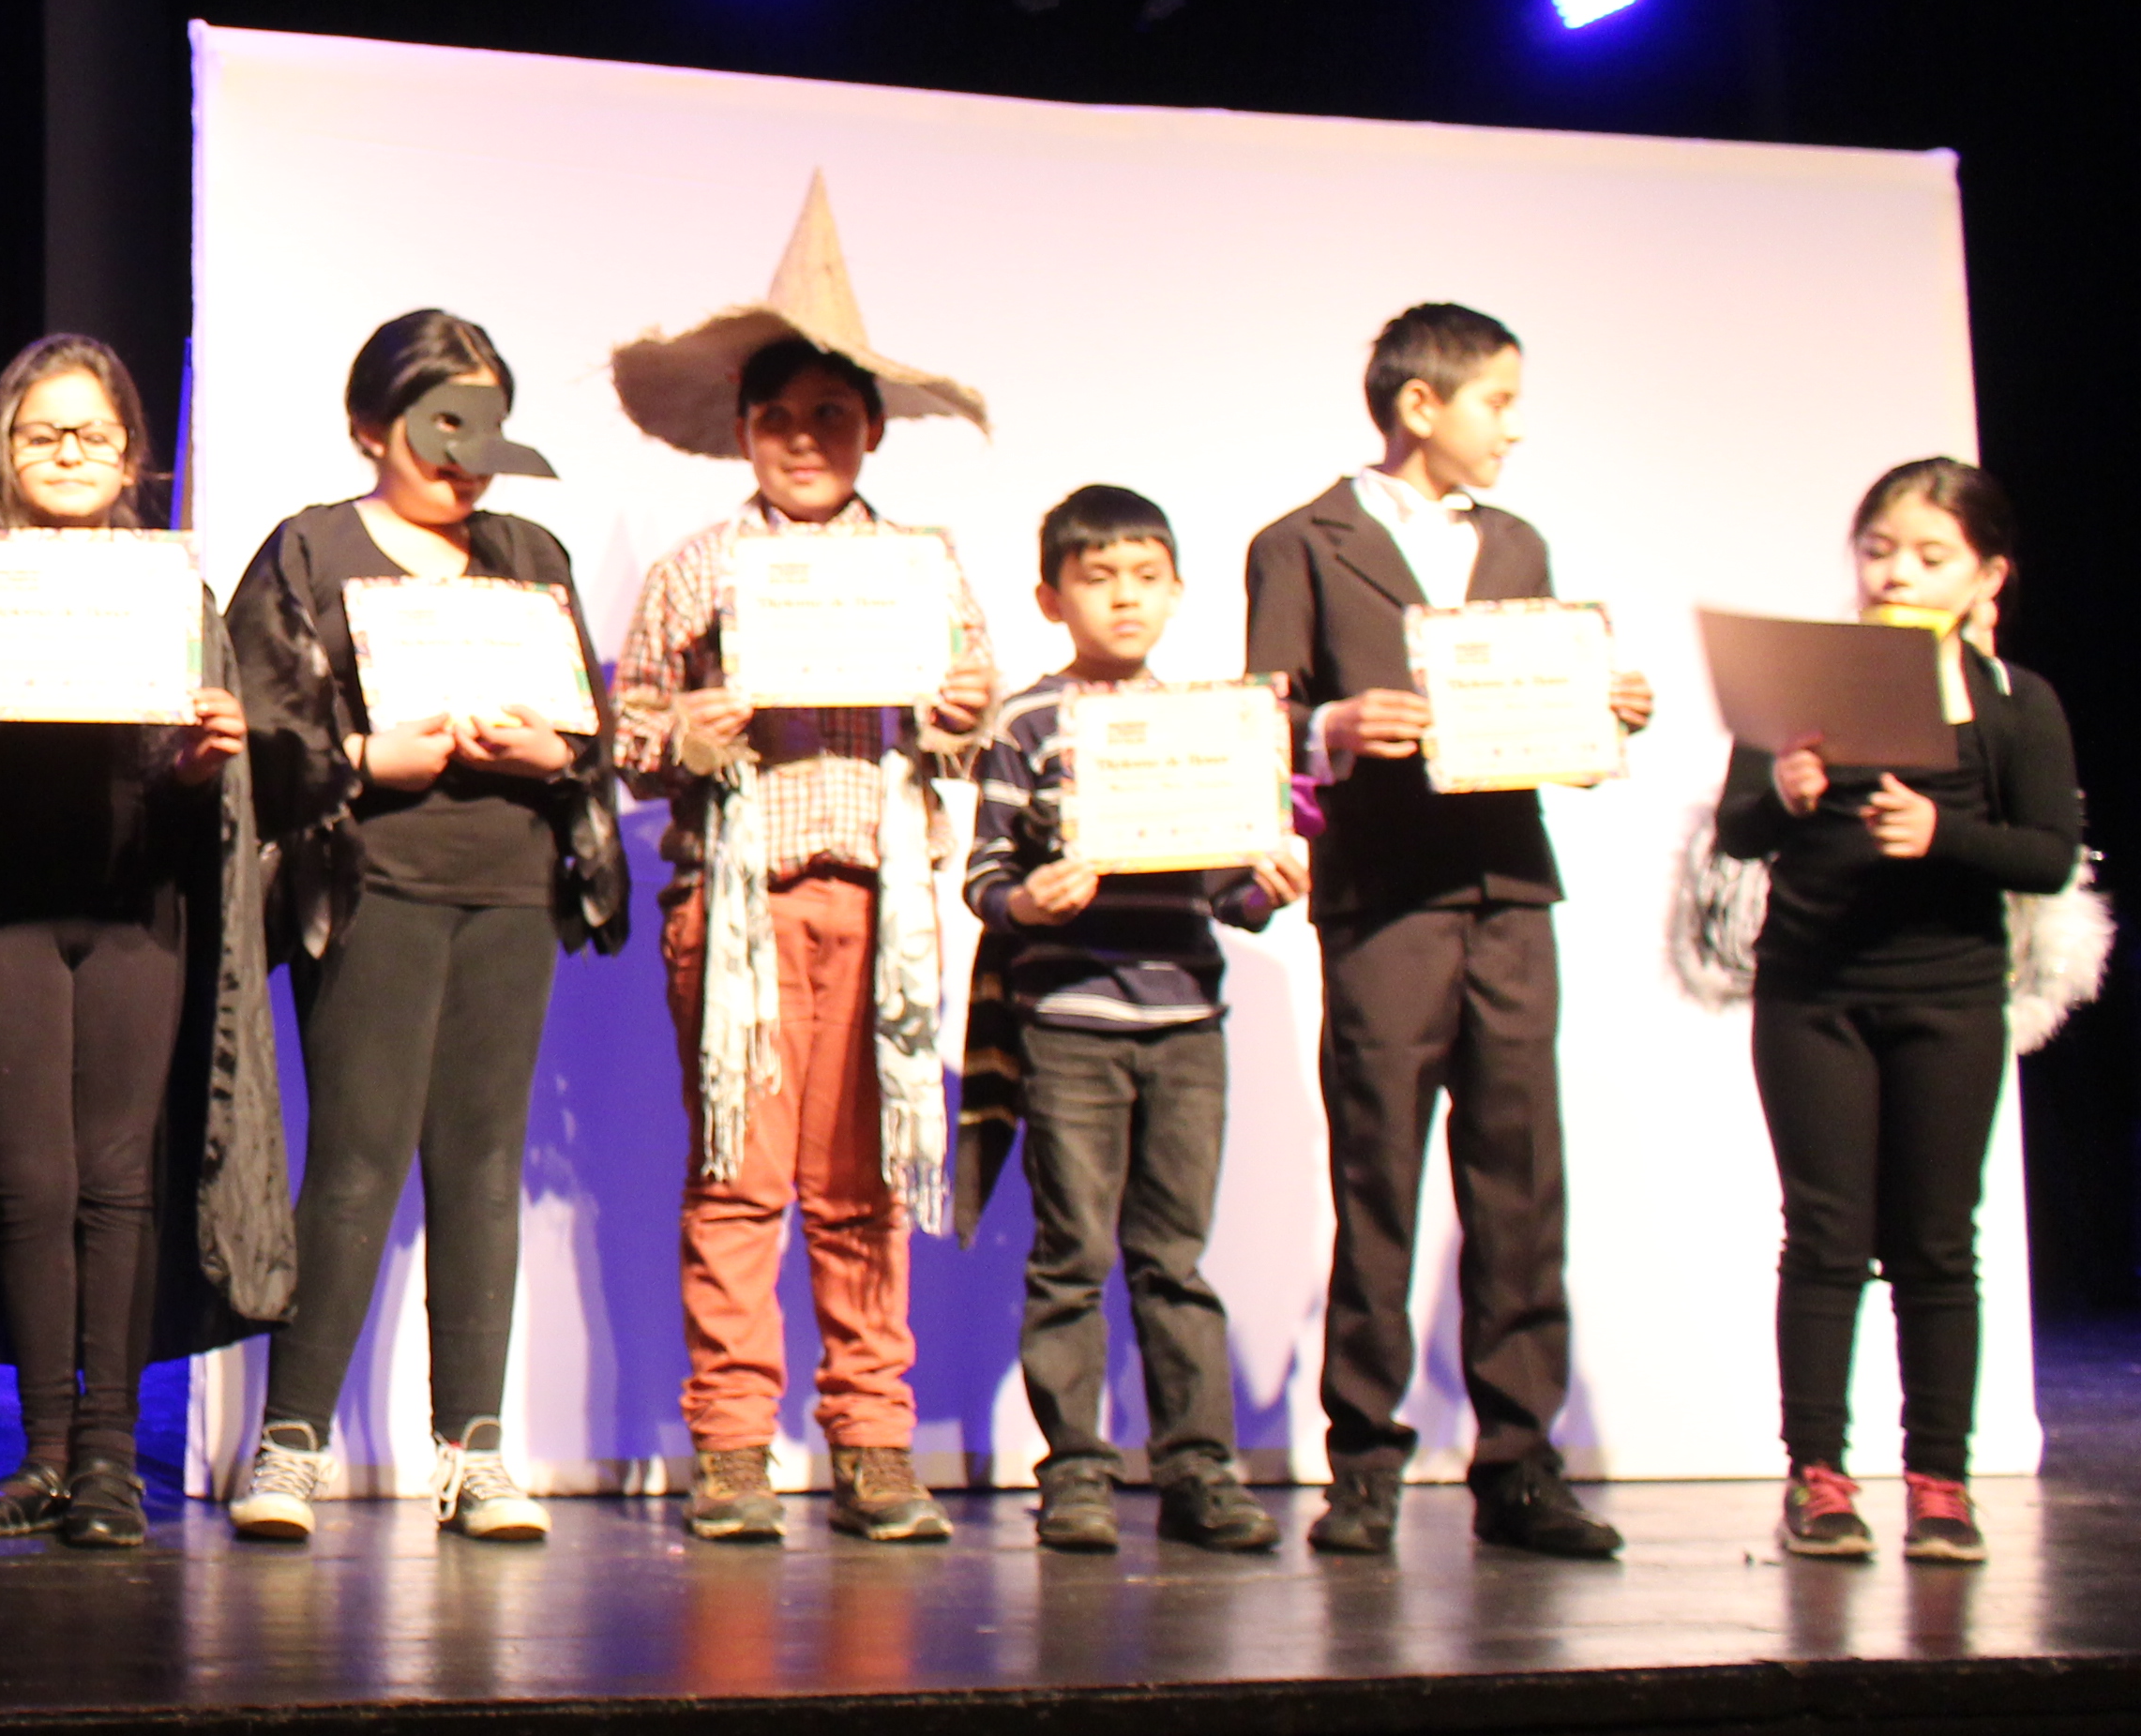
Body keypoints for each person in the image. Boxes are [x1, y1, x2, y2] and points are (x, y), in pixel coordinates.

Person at [607, 179, 1001, 1547]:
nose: (804, 440)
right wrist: (685, 732)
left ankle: (874, 1443)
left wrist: (962, 715)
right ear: (745, 431)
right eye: (779, 418)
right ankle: (731, 1447)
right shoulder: (696, 571)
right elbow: (629, 734)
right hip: (738, 909)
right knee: (736, 1179)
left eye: (831, 415)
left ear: (870, 429)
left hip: (881, 910)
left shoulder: (923, 566)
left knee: (866, 1184)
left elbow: (973, 715)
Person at [1241, 300, 1660, 1562]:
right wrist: (1329, 731)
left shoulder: (1517, 543)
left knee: (1521, 1184)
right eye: (1498, 402)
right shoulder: (1301, 542)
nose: (1514, 429)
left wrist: (1602, 710)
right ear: (1421, 406)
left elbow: (1526, 706)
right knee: (1379, 1178)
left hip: (1508, 890)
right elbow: (1260, 724)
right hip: (1383, 899)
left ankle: (1520, 1464)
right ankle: (1365, 1463)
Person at [0, 337, 289, 1548]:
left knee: (117, 1178)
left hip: (135, 911)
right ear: (6, 447)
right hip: (4, 914)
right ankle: (45, 1452)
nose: (68, 452)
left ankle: (108, 1459)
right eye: (42, 432)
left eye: (92, 433)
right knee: (31, 1181)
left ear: (131, 454)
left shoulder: (172, 591)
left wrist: (204, 763)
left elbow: (202, 807)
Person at [218, 310, 627, 1544]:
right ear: (371, 426)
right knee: (356, 1156)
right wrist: (361, 757)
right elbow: (258, 721)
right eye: (441, 423)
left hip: (508, 885)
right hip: (376, 885)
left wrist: (556, 753)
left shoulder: (529, 554)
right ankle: (292, 1444)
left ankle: (475, 1452)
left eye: (487, 425)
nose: (465, 456)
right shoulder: (313, 548)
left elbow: (588, 728)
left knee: (481, 1162)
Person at [1710, 458, 2080, 1565]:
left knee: (1935, 1244)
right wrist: (1784, 794)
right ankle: (1818, 1475)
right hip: (1814, 991)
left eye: (1930, 556)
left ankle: (1939, 1482)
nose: (1897, 575)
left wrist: (1943, 833)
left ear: (1986, 577)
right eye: (1878, 552)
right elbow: (1737, 830)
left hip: (1949, 997)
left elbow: (2049, 855)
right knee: (1825, 1237)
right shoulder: (1805, 682)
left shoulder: (2015, 702)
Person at [954, 485, 1312, 1557]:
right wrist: (1029, 903)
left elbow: (1227, 890)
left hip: (1187, 1017)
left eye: (1146, 578)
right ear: (1050, 598)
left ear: (1177, 593)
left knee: (1174, 1256)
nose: (1124, 598)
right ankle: (1076, 1473)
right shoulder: (1024, 722)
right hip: (1068, 1021)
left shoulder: (1211, 726)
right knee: (1072, 1253)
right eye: (1098, 578)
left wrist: (1268, 886)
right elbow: (985, 876)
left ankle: (1198, 1468)